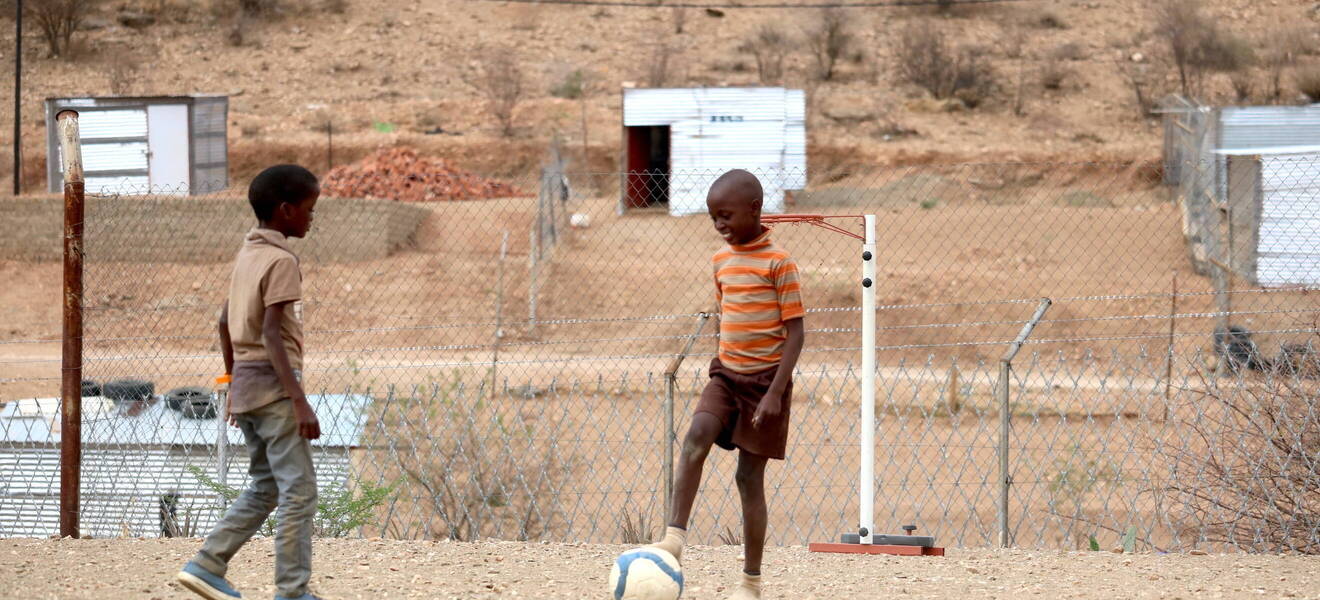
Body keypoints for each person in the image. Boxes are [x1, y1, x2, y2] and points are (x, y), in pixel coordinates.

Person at [649, 169, 806, 600]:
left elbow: (796, 333)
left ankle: (751, 582)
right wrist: (722, 361)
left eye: (726, 215)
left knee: (747, 478)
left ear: (754, 210)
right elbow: (723, 315)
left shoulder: (780, 263)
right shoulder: (720, 260)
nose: (719, 225)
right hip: (726, 374)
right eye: (713, 218)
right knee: (695, 436)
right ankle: (674, 540)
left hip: (765, 385)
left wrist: (775, 391)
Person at [176, 164, 324, 600]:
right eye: (309, 209)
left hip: (248, 388)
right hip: (277, 391)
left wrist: (234, 385)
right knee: (299, 493)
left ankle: (206, 564)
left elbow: (225, 321)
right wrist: (299, 401)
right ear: (285, 211)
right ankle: (293, 593)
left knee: (266, 486)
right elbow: (270, 335)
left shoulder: (247, 256)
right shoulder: (281, 261)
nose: (312, 218)